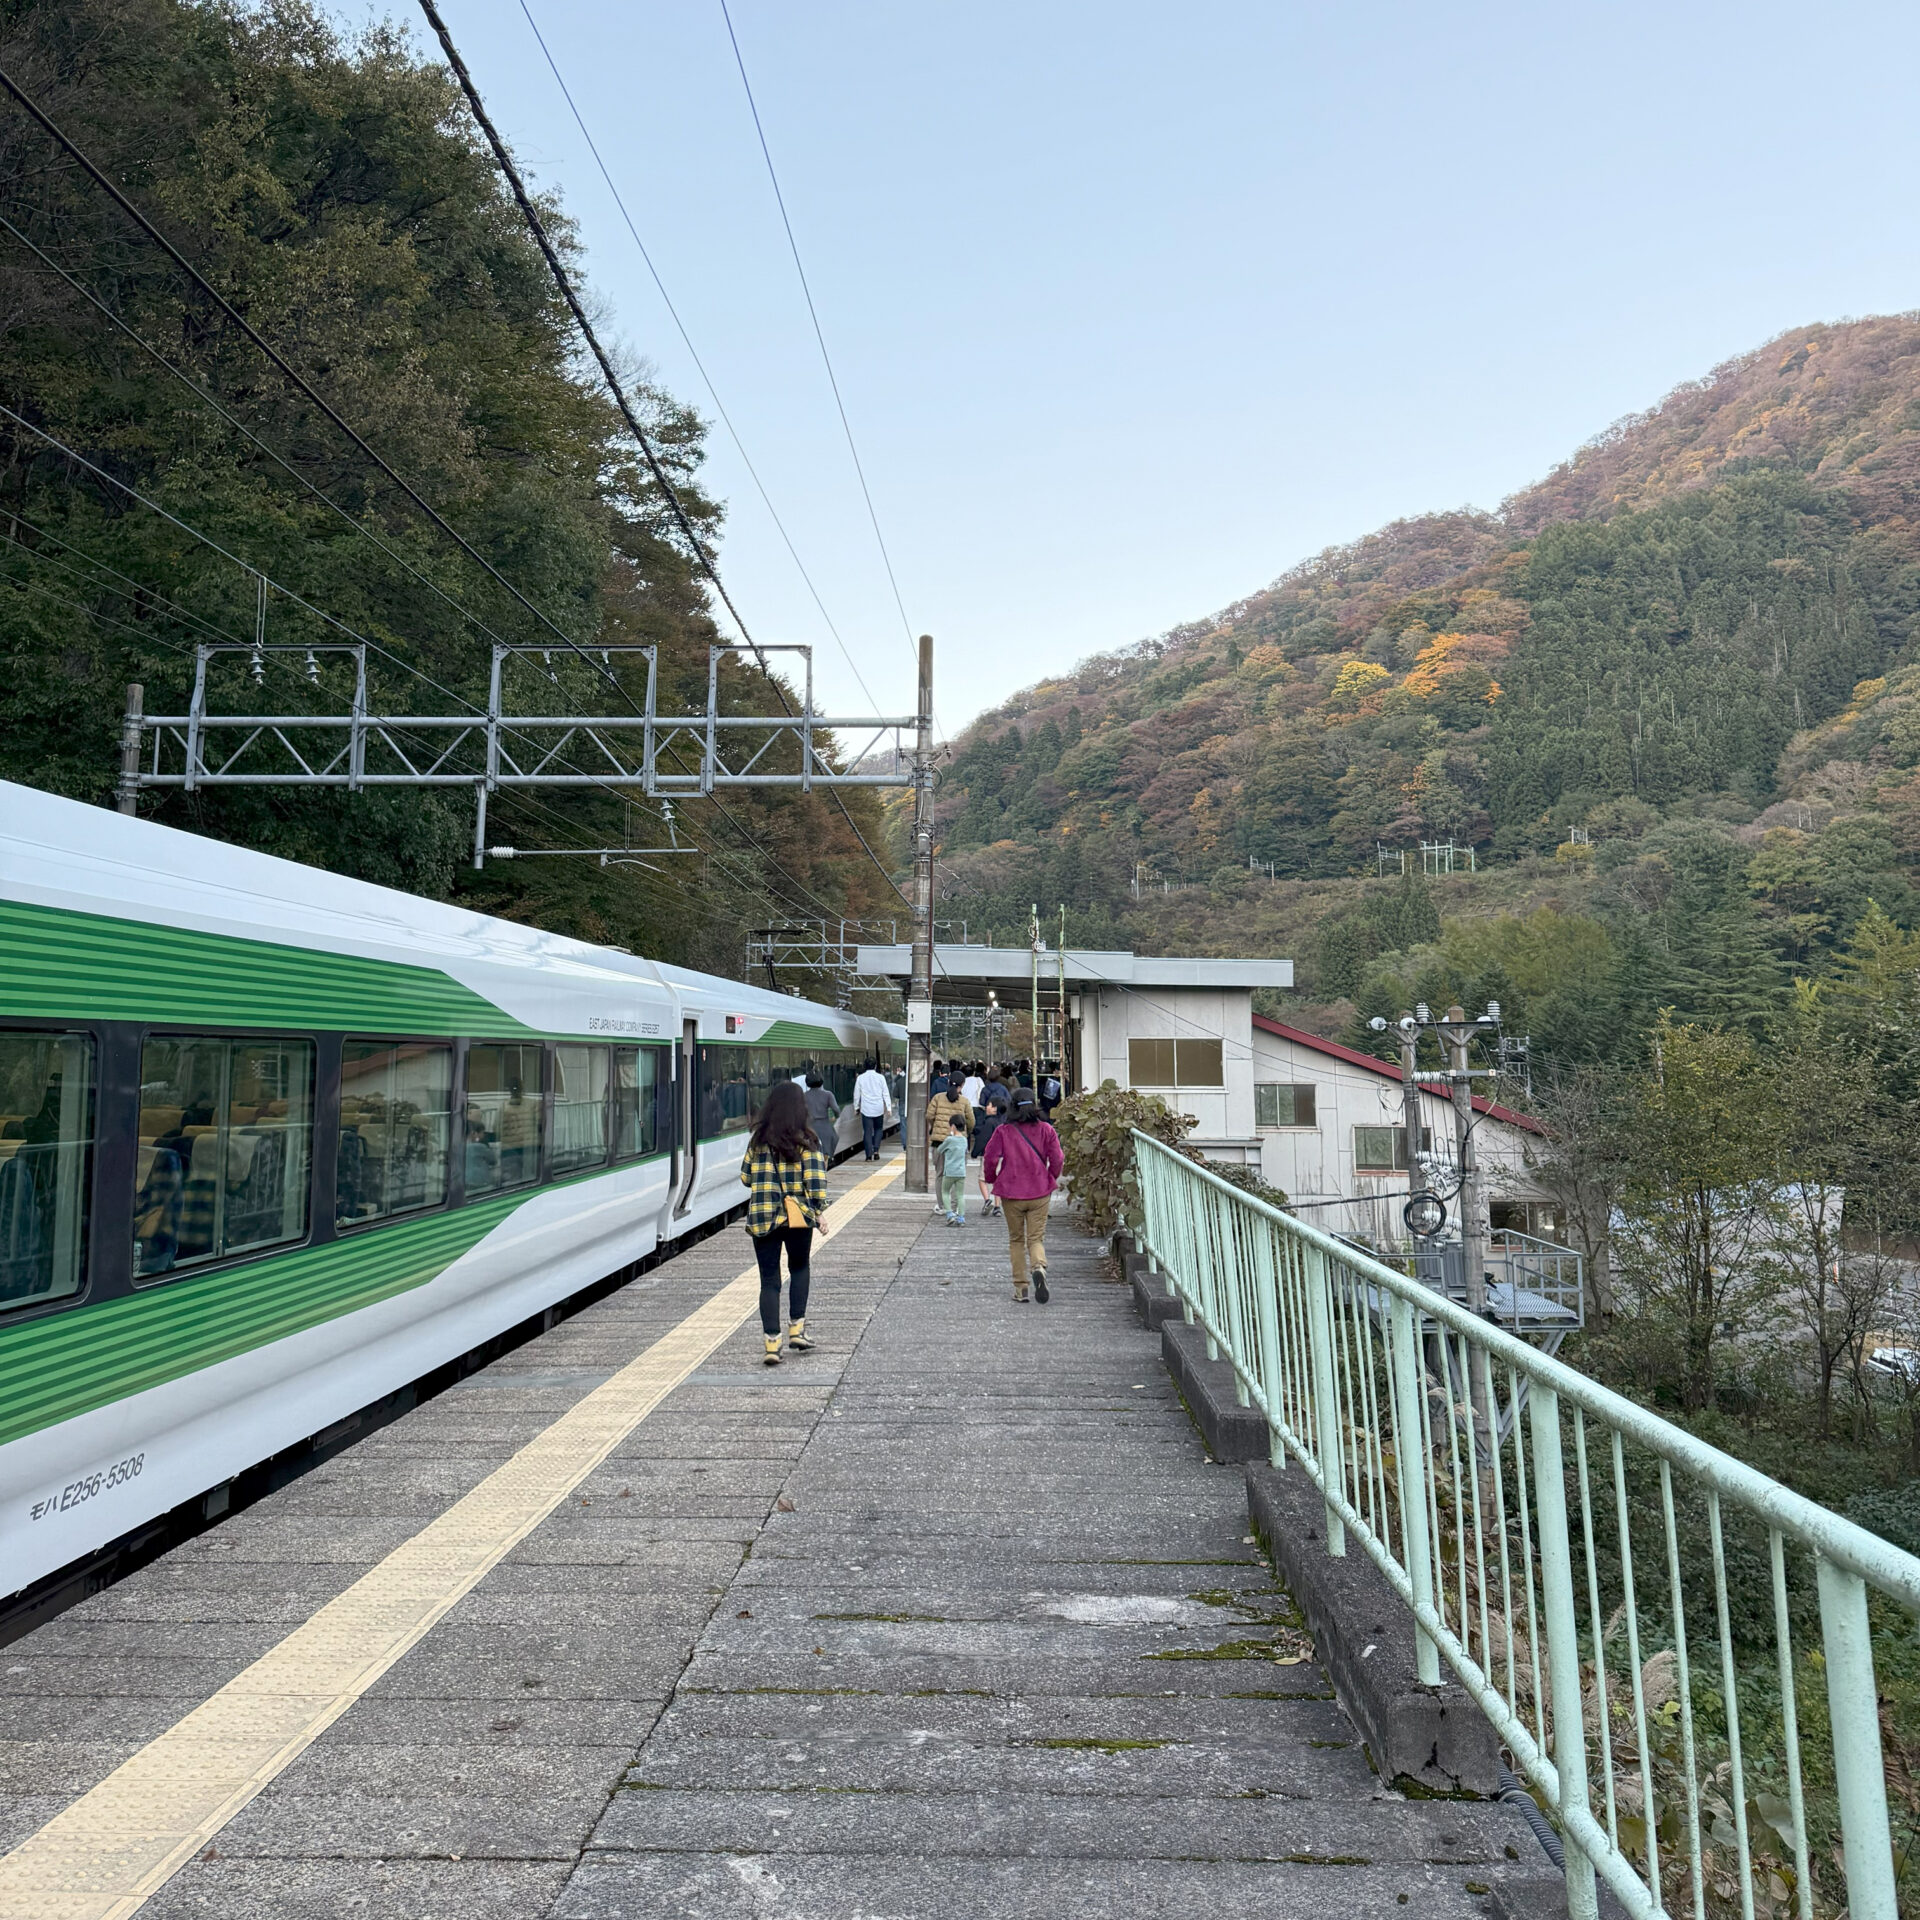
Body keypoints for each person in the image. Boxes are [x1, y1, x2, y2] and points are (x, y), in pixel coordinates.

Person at [739, 1081, 829, 1366]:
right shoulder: (808, 1140)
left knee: (769, 1279)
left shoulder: (758, 1140)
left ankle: (771, 1344)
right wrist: (819, 1211)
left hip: (763, 1216)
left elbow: (746, 1178)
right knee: (799, 1267)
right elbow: (815, 1182)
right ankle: (797, 1331)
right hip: (797, 1216)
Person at [981, 1087, 1063, 1304]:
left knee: (1016, 1239)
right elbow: (1057, 1158)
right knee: (1035, 1238)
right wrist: (1050, 1177)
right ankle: (1039, 1267)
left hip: (1011, 1193)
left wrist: (992, 1178)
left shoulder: (1003, 1131)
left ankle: (1021, 1288)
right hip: (1039, 1191)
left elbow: (989, 1158)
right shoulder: (1047, 1129)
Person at [927, 1077, 973, 1207]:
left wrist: (935, 1127)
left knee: (940, 1174)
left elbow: (929, 1116)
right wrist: (965, 1132)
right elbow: (971, 1121)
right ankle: (953, 1205)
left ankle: (942, 1205)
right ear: (962, 1085)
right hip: (958, 1143)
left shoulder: (937, 1098)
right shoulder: (964, 1101)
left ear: (948, 1082)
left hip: (939, 1142)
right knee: (956, 1174)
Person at [851, 1058, 892, 1160]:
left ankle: (868, 1155)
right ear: (875, 1066)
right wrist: (889, 1107)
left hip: (866, 1109)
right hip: (878, 1109)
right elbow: (885, 1093)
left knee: (867, 1132)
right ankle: (876, 1150)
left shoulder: (860, 1078)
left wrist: (856, 1107)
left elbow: (856, 1094)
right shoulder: (881, 1077)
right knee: (878, 1129)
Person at [937, 1114, 970, 1226]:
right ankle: (961, 1218)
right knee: (960, 1195)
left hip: (950, 1171)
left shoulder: (949, 1139)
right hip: (961, 1172)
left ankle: (950, 1214)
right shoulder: (965, 1140)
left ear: (953, 1127)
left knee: (945, 1192)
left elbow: (940, 1150)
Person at [803, 1071, 840, 1149]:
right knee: (830, 1145)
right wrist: (836, 1117)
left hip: (809, 1128)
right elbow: (836, 1109)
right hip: (825, 1126)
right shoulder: (828, 1094)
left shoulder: (804, 1095)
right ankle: (826, 1160)